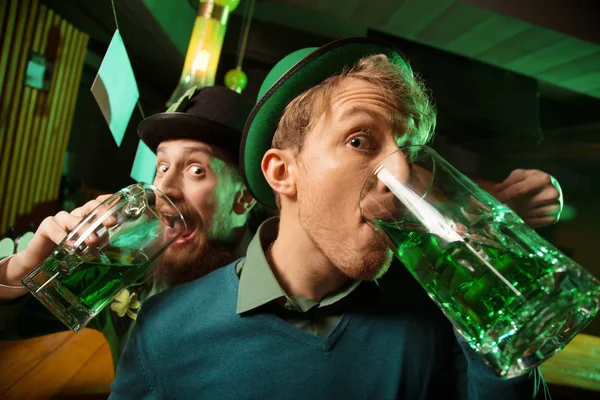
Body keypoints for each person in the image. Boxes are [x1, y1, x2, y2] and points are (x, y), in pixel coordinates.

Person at [109, 38, 560, 399]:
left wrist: (497, 314)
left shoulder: (444, 314)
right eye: (360, 141)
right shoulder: (165, 330)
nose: (402, 173)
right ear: (283, 173)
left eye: (412, 151)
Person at [0, 85, 257, 368]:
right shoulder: (132, 263)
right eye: (162, 167)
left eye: (196, 170)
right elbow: (24, 328)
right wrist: (22, 271)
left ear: (242, 199)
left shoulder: (265, 306)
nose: (164, 188)